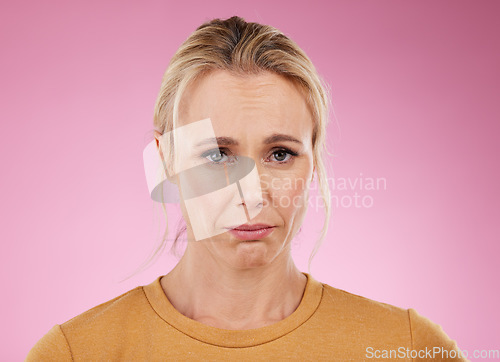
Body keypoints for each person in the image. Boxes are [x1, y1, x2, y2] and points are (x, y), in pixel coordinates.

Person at [26, 16, 467, 361]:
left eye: (280, 154)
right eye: (218, 155)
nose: (251, 194)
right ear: (165, 162)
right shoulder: (76, 353)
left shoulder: (407, 347)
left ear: (313, 163)